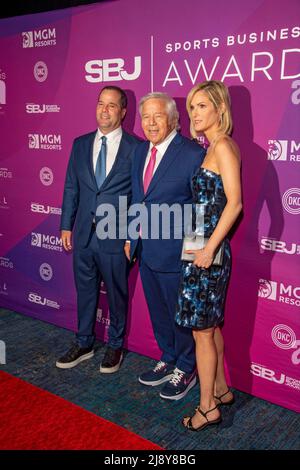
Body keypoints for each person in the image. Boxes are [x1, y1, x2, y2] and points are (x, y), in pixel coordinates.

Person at [125, 92, 206, 400]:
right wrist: (132, 236)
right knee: (159, 311)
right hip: (145, 250)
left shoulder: (191, 154)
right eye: (146, 116)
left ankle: (186, 367)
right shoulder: (139, 152)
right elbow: (137, 198)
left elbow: (202, 207)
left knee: (179, 313)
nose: (151, 122)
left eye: (158, 116)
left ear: (174, 119)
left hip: (178, 254)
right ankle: (168, 357)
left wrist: (194, 253)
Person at [56, 86, 140, 373]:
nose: (104, 110)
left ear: (123, 111)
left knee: (117, 294)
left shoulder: (136, 148)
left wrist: (133, 235)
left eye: (112, 106)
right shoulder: (80, 144)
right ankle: (84, 342)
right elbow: (71, 187)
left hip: (116, 237)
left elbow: (139, 197)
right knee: (85, 291)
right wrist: (66, 224)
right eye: (101, 104)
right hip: (82, 235)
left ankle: (115, 345)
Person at [176, 80, 242, 430]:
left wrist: (209, 248)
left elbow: (235, 203)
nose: (195, 113)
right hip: (198, 244)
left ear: (220, 109)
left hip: (208, 250)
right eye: (192, 107)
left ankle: (207, 409)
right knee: (209, 326)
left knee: (202, 332)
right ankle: (220, 389)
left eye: (202, 106)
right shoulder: (212, 147)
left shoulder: (224, 147)